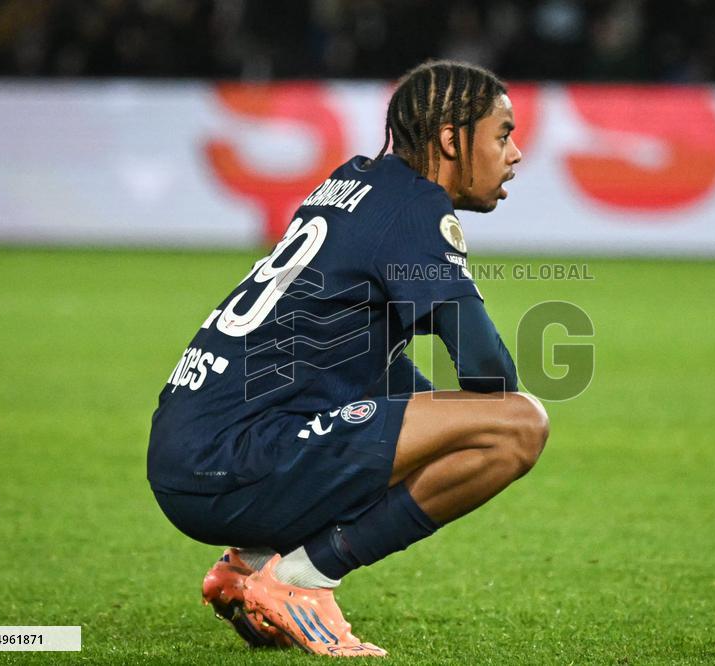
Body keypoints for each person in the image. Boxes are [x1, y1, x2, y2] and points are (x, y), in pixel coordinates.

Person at [147, 60, 549, 658]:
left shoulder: (353, 181)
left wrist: (415, 422)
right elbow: (490, 374)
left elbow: (352, 355)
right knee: (519, 424)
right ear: (449, 139)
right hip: (235, 461)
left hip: (186, 454)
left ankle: (249, 564)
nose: (515, 153)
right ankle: (300, 582)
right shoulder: (415, 209)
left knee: (411, 419)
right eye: (503, 133)